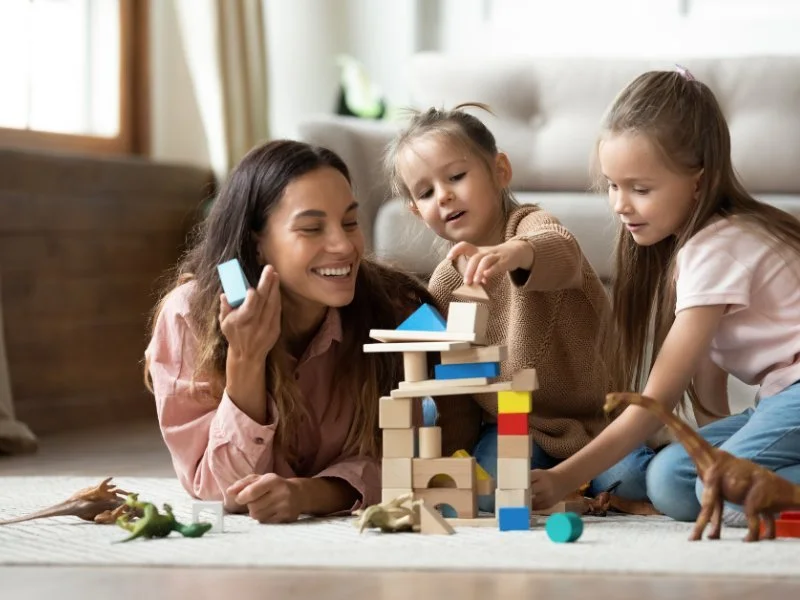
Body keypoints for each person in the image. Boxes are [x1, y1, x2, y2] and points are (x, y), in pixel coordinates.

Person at [529, 66, 800, 524]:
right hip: (780, 401)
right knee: (670, 480)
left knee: (723, 495)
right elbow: (710, 394)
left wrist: (560, 478)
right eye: (613, 186)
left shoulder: (717, 247)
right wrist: (726, 454)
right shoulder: (698, 249)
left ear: (699, 179)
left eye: (640, 189)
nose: (620, 204)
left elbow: (654, 406)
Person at [144, 139, 434, 523]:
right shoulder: (188, 317)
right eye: (312, 228)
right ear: (257, 243)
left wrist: (313, 493)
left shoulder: (396, 310)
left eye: (350, 222)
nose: (344, 245)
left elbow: (420, 455)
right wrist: (246, 358)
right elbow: (218, 490)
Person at [384, 103, 635, 512]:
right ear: (416, 211)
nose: (444, 195)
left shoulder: (531, 226)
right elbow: (458, 393)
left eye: (456, 177)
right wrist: (449, 461)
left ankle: (588, 487)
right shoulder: (446, 284)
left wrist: (513, 253)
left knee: (637, 478)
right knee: (491, 486)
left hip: (599, 420)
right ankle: (573, 494)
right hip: (515, 427)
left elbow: (563, 251)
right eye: (426, 193)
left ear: (500, 171)